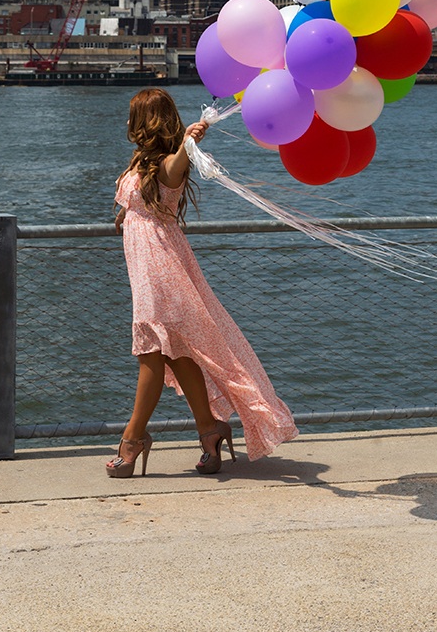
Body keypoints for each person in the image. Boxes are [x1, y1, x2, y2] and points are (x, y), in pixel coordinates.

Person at [106, 87, 297, 478]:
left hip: (162, 271)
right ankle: (210, 430)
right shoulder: (141, 163)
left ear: (146, 120)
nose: (127, 123)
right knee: (178, 354)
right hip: (147, 269)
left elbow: (174, 172)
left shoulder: (168, 163)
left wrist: (189, 141)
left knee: (151, 357)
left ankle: (133, 438)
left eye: (132, 115)